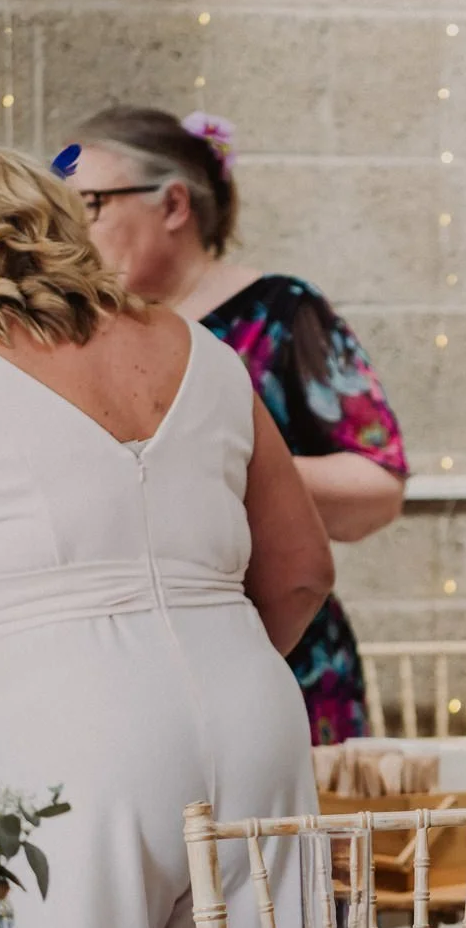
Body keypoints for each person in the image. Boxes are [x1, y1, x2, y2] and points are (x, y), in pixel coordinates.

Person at [0, 145, 332, 928]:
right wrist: (215, 668)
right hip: (256, 727)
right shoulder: (205, 353)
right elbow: (305, 573)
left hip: (57, 739)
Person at [63, 106, 407, 744]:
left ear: (173, 205)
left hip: (279, 654)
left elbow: (377, 487)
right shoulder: (78, 329)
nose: (69, 232)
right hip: (128, 672)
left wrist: (231, 468)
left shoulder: (280, 313)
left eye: (90, 205)